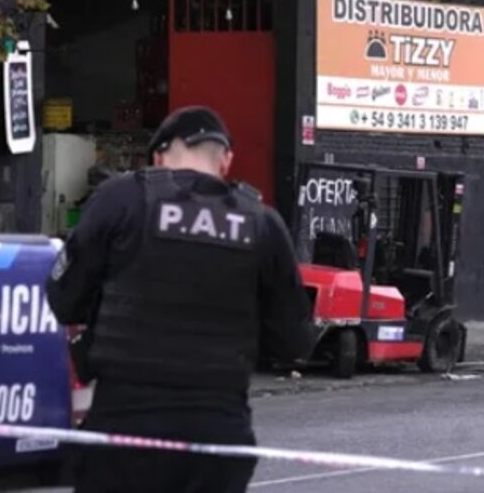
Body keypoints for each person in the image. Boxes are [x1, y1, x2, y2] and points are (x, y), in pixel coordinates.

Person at [46, 105, 316, 493]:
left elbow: (63, 300)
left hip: (125, 429)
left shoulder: (121, 199)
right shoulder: (262, 223)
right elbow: (295, 341)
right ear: (226, 160)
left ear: (159, 155)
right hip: (218, 436)